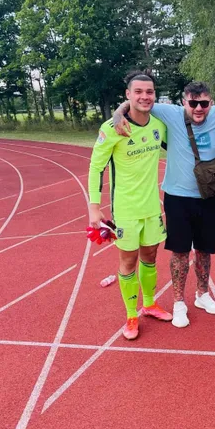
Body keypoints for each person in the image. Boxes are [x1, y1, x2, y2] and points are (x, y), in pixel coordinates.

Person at [113, 82, 215, 328]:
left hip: (208, 196)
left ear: (211, 103)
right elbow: (138, 102)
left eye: (203, 103)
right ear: (184, 102)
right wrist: (118, 113)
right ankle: (179, 302)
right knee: (180, 252)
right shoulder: (169, 112)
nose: (198, 108)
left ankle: (202, 294)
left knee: (204, 250)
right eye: (193, 103)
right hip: (178, 198)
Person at [88, 71, 172, 341]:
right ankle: (131, 315)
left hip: (152, 207)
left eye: (149, 92)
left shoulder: (159, 125)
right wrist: (94, 207)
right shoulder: (112, 128)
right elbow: (96, 168)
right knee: (128, 261)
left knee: (150, 256)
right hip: (125, 210)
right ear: (128, 95)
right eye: (138, 92)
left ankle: (149, 304)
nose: (144, 96)